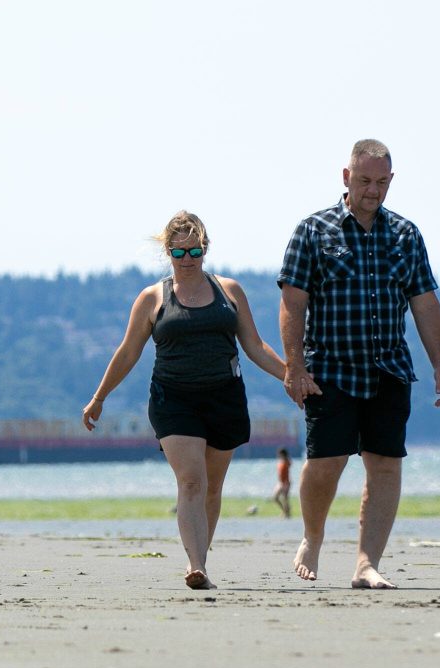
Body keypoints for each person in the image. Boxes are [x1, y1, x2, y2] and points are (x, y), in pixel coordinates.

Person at [278, 139, 440, 589]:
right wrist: (294, 367)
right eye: (364, 181)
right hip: (329, 370)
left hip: (389, 369)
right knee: (325, 462)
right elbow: (293, 304)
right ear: (345, 178)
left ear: (390, 181)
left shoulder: (406, 235)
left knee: (386, 465)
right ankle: (312, 537)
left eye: (381, 182)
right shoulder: (313, 231)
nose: (372, 190)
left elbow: (424, 302)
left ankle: (366, 563)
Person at [82, 210, 287, 590]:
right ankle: (197, 566)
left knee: (212, 487)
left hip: (224, 396)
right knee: (191, 480)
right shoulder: (152, 298)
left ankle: (200, 559)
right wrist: (99, 397)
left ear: (205, 249)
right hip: (173, 399)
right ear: (167, 253)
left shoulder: (229, 291)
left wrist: (291, 376)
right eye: (178, 254)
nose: (187, 260)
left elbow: (255, 346)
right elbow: (128, 352)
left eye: (194, 252)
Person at [273, 447, 292, 518]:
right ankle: (285, 511)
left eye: (279, 454)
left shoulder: (286, 461)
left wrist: (286, 457)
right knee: (275, 498)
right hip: (280, 482)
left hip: (285, 482)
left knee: (285, 499)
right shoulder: (281, 461)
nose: (278, 455)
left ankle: (287, 514)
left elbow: (290, 464)